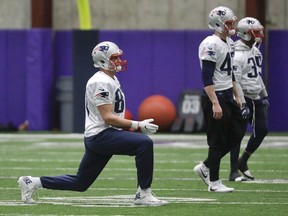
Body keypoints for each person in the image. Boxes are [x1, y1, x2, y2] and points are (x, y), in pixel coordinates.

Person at [18, 41, 167, 206]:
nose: (119, 61)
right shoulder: (100, 82)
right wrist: (137, 125)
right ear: (103, 60)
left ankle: (32, 182)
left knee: (80, 183)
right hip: (101, 135)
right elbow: (108, 117)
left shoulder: (110, 78)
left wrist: (134, 125)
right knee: (144, 144)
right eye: (115, 58)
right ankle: (143, 194)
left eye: (118, 57)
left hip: (102, 135)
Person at [193, 6, 248, 192]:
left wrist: (237, 95)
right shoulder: (210, 43)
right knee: (216, 140)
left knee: (237, 132)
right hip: (215, 97)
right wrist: (215, 102)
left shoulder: (229, 42)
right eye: (229, 22)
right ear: (218, 24)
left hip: (227, 95)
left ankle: (206, 166)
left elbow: (230, 72)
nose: (233, 25)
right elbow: (207, 77)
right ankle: (214, 183)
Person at [229, 17, 268, 181]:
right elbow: (234, 80)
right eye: (255, 32)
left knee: (262, 130)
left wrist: (264, 93)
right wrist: (241, 102)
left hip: (255, 96)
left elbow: (257, 76)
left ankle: (242, 161)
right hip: (243, 96)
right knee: (237, 134)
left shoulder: (255, 50)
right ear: (246, 34)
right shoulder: (237, 55)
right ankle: (233, 172)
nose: (259, 34)